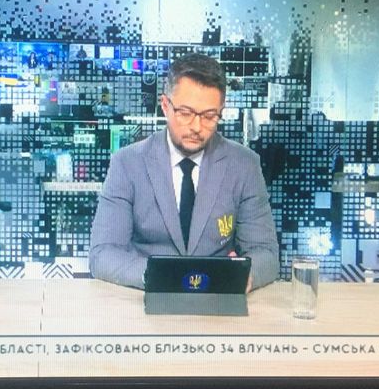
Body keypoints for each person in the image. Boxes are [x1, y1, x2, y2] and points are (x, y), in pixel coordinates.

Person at [89, 53, 278, 290]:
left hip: (217, 297)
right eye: (186, 113)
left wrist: (241, 276)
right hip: (146, 295)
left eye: (209, 116)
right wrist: (163, 277)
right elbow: (103, 254)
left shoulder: (244, 165)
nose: (197, 127)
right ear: (165, 106)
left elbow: (266, 253)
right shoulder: (127, 164)